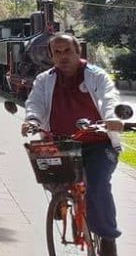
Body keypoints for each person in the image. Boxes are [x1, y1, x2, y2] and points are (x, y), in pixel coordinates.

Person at [21, 33, 124, 256]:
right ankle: (62, 198)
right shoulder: (44, 79)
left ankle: (107, 239)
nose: (63, 56)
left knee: (97, 187)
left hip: (98, 144)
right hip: (61, 142)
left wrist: (112, 118)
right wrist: (31, 120)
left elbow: (109, 99)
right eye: (57, 52)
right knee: (48, 171)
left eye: (67, 50)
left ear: (78, 52)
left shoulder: (96, 76)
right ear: (51, 56)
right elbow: (35, 104)